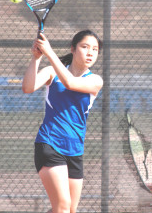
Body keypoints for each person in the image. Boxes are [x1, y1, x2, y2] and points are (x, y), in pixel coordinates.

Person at [22, 29, 103, 213]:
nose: (90, 52)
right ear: (73, 49)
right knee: (62, 207)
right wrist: (36, 59)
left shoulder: (96, 80)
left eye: (95, 49)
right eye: (85, 47)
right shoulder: (52, 72)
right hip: (50, 143)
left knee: (69, 210)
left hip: (75, 149)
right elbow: (27, 87)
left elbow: (70, 83)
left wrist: (49, 52)